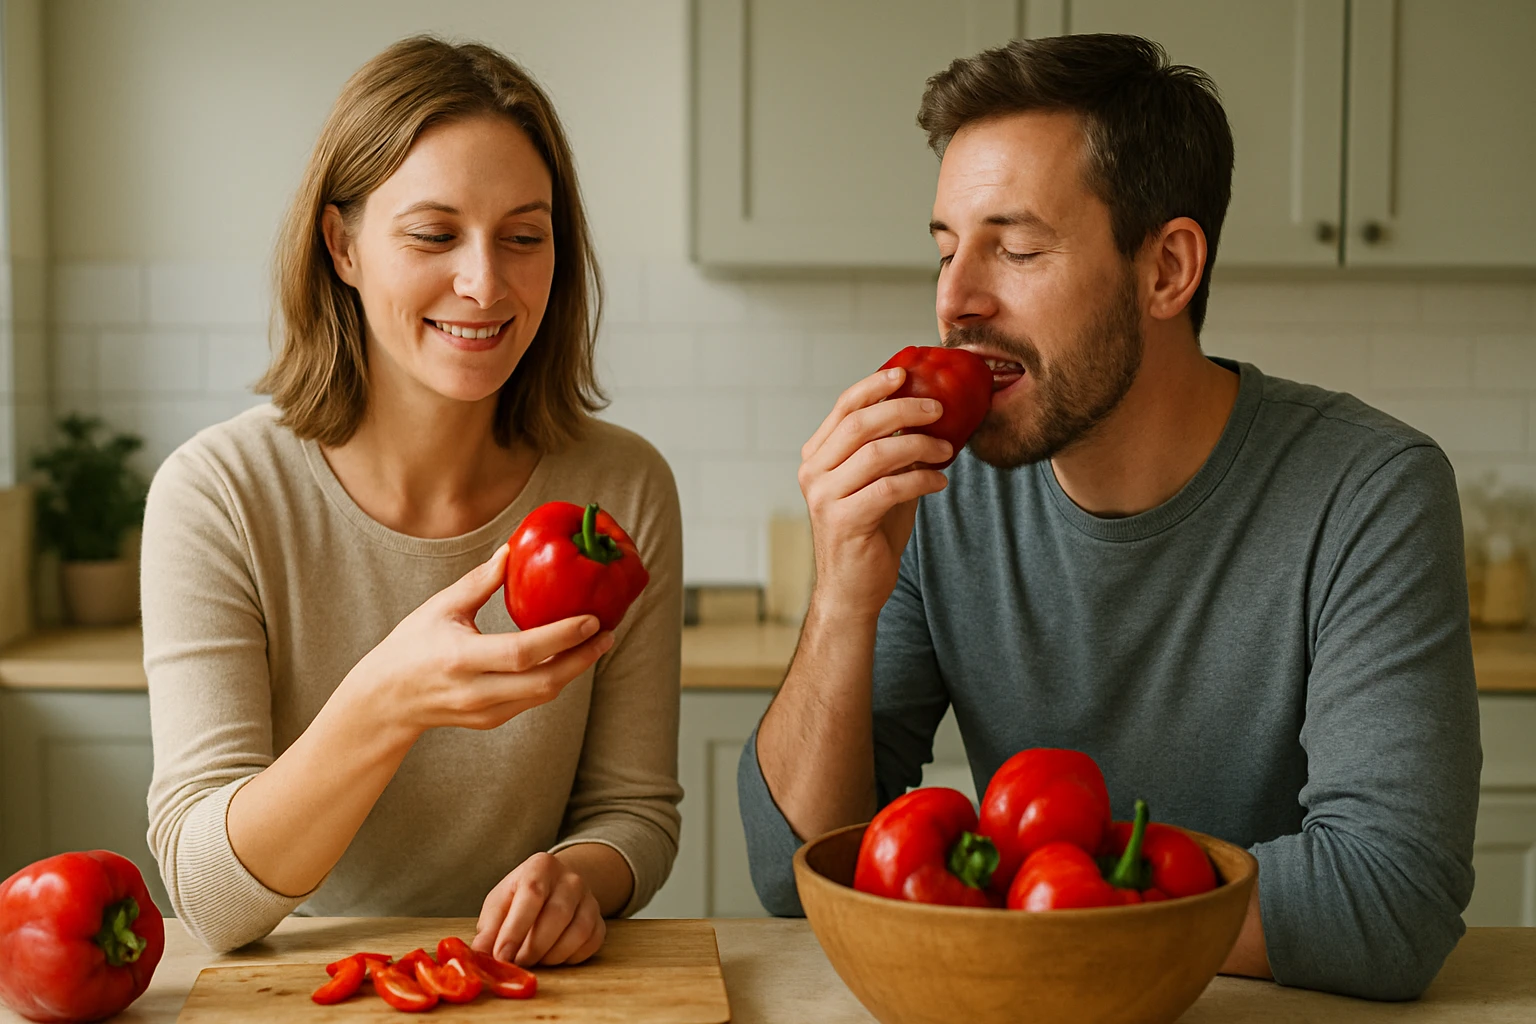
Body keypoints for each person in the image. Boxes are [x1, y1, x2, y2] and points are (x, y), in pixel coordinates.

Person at [739, 34, 1479, 1001]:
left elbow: (1387, 901)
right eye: (946, 248)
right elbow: (794, 871)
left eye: (1017, 248)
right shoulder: (943, 489)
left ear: (1167, 269)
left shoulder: (1369, 491)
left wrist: (1038, 905)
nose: (954, 302)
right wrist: (843, 598)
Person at [143, 36, 682, 964]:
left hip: (522, 984)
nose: (485, 283)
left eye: (525, 236)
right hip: (310, 982)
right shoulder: (217, 495)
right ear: (342, 245)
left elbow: (634, 815)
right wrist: (387, 702)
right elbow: (208, 896)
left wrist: (576, 879)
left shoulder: (622, 488)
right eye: (434, 235)